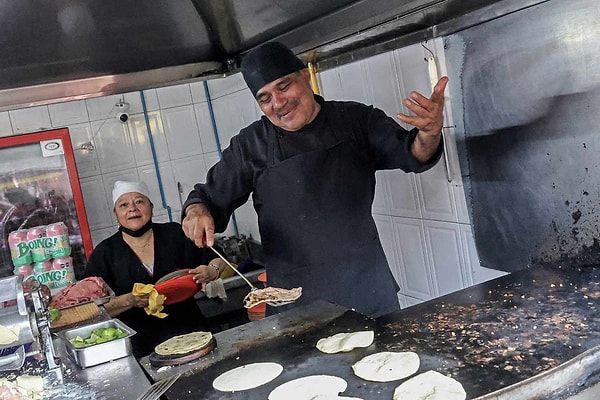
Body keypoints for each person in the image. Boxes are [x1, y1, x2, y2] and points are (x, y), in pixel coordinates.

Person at [182, 41, 448, 318]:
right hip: (293, 301)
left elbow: (413, 154)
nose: (278, 103)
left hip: (366, 286)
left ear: (305, 76)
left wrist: (429, 133)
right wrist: (196, 211)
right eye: (265, 98)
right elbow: (207, 198)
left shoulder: (356, 120)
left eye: (284, 87)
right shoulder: (250, 145)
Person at [84, 181, 226, 358]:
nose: (132, 209)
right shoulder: (105, 253)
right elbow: (92, 309)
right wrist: (130, 300)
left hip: (192, 334)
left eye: (139, 202)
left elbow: (219, 257)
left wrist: (212, 270)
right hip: (141, 349)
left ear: (151, 206)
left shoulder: (174, 233)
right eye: (124, 205)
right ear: (116, 213)